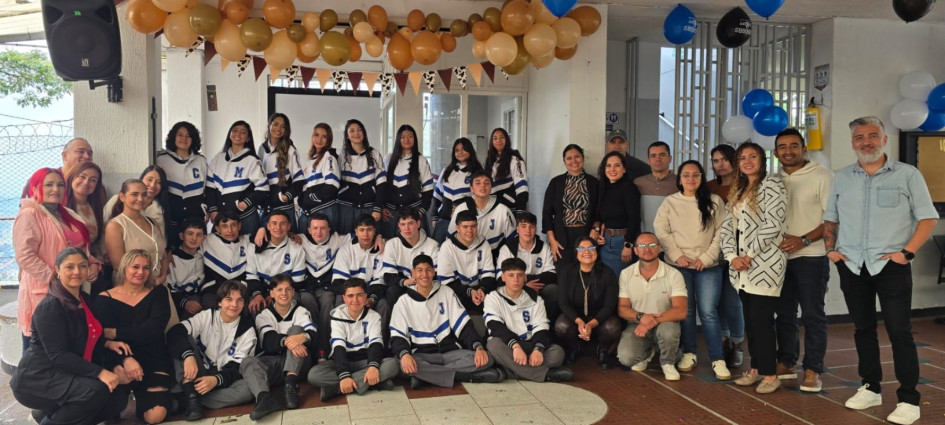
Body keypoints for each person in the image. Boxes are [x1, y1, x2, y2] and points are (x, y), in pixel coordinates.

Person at [825, 116, 937, 425]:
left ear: (884, 139)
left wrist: (906, 253)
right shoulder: (842, 177)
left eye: (873, 135)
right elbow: (831, 219)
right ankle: (870, 387)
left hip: (891, 265)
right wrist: (831, 251)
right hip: (851, 264)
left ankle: (909, 399)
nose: (866, 141)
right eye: (860, 137)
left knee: (900, 331)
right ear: (853, 143)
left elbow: (928, 218)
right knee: (863, 330)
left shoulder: (907, 175)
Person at [11, 248, 129, 425]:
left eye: (82, 266)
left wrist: (106, 343)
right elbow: (58, 355)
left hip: (67, 372)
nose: (77, 272)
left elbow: (85, 333)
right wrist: (101, 373)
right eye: (70, 267)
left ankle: (45, 416)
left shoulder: (85, 299)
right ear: (57, 270)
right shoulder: (50, 307)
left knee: (117, 399)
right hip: (38, 378)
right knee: (95, 391)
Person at [721, 141, 787, 394]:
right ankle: (757, 368)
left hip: (764, 264)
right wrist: (731, 255)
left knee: (762, 322)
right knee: (750, 321)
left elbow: (773, 224)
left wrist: (748, 255)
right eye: (742, 158)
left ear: (762, 159)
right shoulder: (738, 189)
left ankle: (771, 374)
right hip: (740, 268)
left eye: (753, 156)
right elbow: (728, 226)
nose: (747, 161)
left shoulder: (772, 185)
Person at [653, 160, 729, 380]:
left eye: (696, 175)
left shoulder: (714, 201)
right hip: (679, 266)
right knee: (685, 312)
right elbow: (662, 231)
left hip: (708, 266)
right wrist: (678, 255)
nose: (690, 179)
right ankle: (689, 353)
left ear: (702, 178)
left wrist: (706, 258)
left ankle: (717, 359)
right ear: (679, 179)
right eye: (686, 175)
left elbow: (721, 233)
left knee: (708, 311)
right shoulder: (670, 202)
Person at [772, 128, 834, 392]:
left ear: (804, 149)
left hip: (811, 257)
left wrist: (803, 240)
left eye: (793, 146)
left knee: (812, 315)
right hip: (779, 259)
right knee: (784, 315)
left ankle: (812, 370)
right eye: (783, 147)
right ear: (775, 153)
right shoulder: (772, 180)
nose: (788, 151)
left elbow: (831, 219)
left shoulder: (822, 175)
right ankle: (786, 363)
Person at [167, 280, 282, 421]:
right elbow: (174, 332)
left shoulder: (248, 331)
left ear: (244, 304)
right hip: (198, 369)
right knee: (184, 341)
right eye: (229, 299)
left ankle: (188, 398)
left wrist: (216, 380)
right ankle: (191, 396)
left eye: (239, 300)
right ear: (220, 302)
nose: (234, 305)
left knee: (247, 391)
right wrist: (189, 356)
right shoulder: (207, 316)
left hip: (222, 378)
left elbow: (236, 368)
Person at [389, 255, 502, 388]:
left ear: (434, 272)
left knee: (487, 358)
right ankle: (465, 376)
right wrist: (405, 355)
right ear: (413, 273)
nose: (424, 274)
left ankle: (428, 377)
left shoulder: (447, 292)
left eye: (428, 270)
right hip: (422, 355)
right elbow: (397, 337)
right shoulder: (403, 301)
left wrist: (478, 347)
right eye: (419, 270)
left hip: (450, 353)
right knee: (402, 364)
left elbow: (464, 326)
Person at [15, 168, 97, 349]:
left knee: (67, 344)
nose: (56, 189)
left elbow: (81, 248)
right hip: (44, 290)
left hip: (73, 290)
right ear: (35, 188)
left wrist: (91, 263)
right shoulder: (29, 214)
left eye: (60, 185)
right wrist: (56, 278)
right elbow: (25, 255)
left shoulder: (68, 214)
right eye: (49, 184)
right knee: (38, 349)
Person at [94, 249, 174, 424]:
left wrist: (116, 332)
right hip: (118, 358)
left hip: (153, 357)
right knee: (108, 408)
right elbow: (105, 341)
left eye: (146, 268)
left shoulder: (158, 293)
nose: (141, 272)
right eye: (135, 267)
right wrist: (126, 359)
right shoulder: (103, 299)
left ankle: (165, 400)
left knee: (156, 416)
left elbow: (154, 330)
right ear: (124, 268)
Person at [308, 278, 398, 401]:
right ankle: (374, 382)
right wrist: (344, 375)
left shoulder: (373, 316)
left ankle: (336, 389)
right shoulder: (337, 316)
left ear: (366, 296)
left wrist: (373, 366)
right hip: (344, 361)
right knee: (314, 375)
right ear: (344, 298)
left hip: (365, 361)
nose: (355, 300)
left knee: (392, 364)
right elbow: (338, 347)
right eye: (350, 296)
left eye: (359, 295)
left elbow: (376, 344)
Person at [484, 258, 573, 383]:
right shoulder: (493, 297)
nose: (516, 279)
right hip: (507, 345)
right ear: (503, 277)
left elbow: (542, 328)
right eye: (511, 275)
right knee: (493, 345)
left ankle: (509, 370)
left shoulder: (536, 299)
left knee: (557, 353)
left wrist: (538, 350)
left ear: (524, 277)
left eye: (520, 275)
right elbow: (495, 326)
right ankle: (545, 375)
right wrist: (515, 346)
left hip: (529, 344)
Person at [615, 233, 687, 381]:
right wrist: (642, 318)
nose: (647, 249)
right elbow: (622, 308)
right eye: (641, 245)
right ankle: (649, 353)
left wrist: (651, 321)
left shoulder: (674, 274)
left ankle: (668, 362)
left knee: (669, 332)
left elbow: (680, 311)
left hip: (665, 323)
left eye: (652, 245)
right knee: (626, 358)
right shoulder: (626, 274)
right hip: (637, 324)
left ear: (659, 248)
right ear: (635, 250)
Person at [555, 237, 621, 369]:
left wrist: (591, 324)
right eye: (581, 248)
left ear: (597, 250)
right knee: (561, 326)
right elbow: (563, 303)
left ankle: (602, 350)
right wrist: (579, 321)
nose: (587, 252)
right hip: (575, 316)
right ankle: (573, 348)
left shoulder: (607, 273)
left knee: (612, 327)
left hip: (600, 317)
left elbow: (609, 305)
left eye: (591, 248)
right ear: (576, 252)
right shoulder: (567, 272)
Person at [255, 274, 318, 410]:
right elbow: (268, 342)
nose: (284, 293)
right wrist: (290, 341)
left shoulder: (301, 311)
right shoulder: (264, 315)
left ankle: (290, 383)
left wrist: (304, 337)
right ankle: (264, 398)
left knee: (296, 330)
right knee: (248, 361)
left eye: (288, 289)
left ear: (293, 292)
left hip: (301, 363)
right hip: (277, 362)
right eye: (279, 290)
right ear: (271, 293)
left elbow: (314, 335)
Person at [708, 143, 745, 368]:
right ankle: (723, 340)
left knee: (732, 301)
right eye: (715, 161)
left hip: (739, 253)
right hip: (712, 250)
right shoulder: (708, 187)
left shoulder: (746, 186)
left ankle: (738, 342)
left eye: (724, 159)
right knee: (716, 300)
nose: (720, 164)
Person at [299, 212, 349, 359]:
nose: (319, 232)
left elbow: (361, 234)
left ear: (329, 229)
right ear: (308, 230)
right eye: (315, 228)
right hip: (307, 287)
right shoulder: (299, 239)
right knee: (308, 301)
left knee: (328, 300)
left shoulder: (338, 240)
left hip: (326, 288)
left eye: (322, 228)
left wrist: (379, 237)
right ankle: (311, 348)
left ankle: (323, 349)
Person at [207, 120, 269, 235]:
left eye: (243, 132)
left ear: (248, 138)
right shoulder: (218, 158)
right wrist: (213, 209)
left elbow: (263, 189)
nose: (238, 134)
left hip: (245, 218)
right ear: (230, 134)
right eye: (234, 130)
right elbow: (210, 187)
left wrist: (244, 203)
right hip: (222, 220)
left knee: (247, 251)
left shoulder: (252, 160)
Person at [543, 144, 600, 267]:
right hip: (562, 236)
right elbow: (546, 214)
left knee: (587, 269)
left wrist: (596, 229)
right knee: (564, 273)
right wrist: (552, 241)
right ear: (564, 161)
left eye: (577, 157)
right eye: (569, 158)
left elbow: (599, 210)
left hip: (586, 233)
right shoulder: (556, 183)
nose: (573, 161)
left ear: (583, 159)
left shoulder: (593, 182)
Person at [104, 179, 169, 286]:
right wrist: (149, 283)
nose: (140, 199)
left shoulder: (153, 223)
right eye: (134, 194)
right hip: (131, 288)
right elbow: (118, 267)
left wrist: (162, 277)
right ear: (122, 197)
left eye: (144, 195)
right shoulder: (116, 226)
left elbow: (163, 257)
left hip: (159, 286)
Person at [495, 212, 558, 320]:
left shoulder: (544, 247)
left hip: (538, 288)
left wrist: (528, 280)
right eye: (523, 226)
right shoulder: (507, 248)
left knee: (553, 290)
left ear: (536, 229)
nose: (527, 231)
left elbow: (552, 274)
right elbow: (501, 278)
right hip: (514, 290)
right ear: (517, 229)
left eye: (531, 227)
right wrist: (524, 284)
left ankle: (547, 325)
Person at [243, 210, 306, 315]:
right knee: (255, 307)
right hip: (261, 290)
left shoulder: (296, 248)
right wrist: (257, 295)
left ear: (289, 226)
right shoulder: (254, 246)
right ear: (267, 226)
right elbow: (251, 276)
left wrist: (276, 294)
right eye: (274, 223)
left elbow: (297, 280)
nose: (278, 227)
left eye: (283, 224)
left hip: (285, 291)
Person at [156, 121, 208, 247]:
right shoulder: (161, 160)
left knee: (196, 255)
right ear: (173, 137)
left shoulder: (200, 161)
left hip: (195, 220)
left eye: (188, 136)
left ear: (193, 139)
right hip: (172, 218)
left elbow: (207, 188)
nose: (184, 139)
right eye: (180, 135)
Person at [380, 206, 440, 312]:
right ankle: (395, 327)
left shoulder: (432, 245)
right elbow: (388, 276)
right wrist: (404, 281)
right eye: (403, 224)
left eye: (410, 223)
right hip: (402, 285)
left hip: (425, 285)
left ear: (418, 223)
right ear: (399, 225)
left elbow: (436, 274)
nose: (406, 228)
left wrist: (420, 281)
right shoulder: (392, 244)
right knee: (392, 291)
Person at [437, 210, 498, 314]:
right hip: (457, 293)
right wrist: (470, 292)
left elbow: (489, 275)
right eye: (465, 227)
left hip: (479, 290)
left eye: (473, 226)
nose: (470, 230)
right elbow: (446, 282)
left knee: (496, 301)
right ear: (457, 228)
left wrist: (482, 289)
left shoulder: (484, 244)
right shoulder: (447, 247)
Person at [379, 124, 435, 238]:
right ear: (398, 139)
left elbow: (428, 191)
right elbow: (381, 186)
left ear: (415, 139)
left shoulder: (421, 160)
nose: (407, 140)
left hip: (413, 214)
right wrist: (382, 208)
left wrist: (420, 213)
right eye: (403, 136)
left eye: (410, 136)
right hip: (391, 215)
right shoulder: (388, 159)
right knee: (391, 249)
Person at [595, 151, 641, 275]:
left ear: (624, 169)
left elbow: (634, 218)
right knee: (607, 281)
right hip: (606, 242)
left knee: (618, 282)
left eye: (617, 165)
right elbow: (600, 216)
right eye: (608, 165)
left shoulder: (629, 188)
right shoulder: (603, 187)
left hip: (622, 242)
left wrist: (628, 245)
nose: (612, 169)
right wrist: (599, 231)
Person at [448, 171, 517, 256]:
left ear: (491, 187)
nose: (482, 185)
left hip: (494, 258)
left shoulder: (503, 210)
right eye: (478, 183)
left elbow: (513, 241)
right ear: (471, 189)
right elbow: (450, 240)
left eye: (486, 183)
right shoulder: (461, 208)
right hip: (465, 257)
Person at [337, 119, 386, 235]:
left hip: (369, 210)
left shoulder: (374, 154)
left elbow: (382, 183)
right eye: (352, 131)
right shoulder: (341, 155)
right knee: (346, 244)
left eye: (359, 130)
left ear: (364, 133)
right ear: (347, 136)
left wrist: (377, 208)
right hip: (346, 210)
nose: (356, 133)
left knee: (371, 245)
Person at [432, 137, 483, 243]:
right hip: (444, 219)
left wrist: (463, 207)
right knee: (436, 249)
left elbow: (480, 198)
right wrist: (434, 216)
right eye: (457, 150)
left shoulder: (477, 171)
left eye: (463, 149)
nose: (460, 152)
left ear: (470, 150)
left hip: (464, 223)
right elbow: (437, 195)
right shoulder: (447, 170)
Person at [259, 113, 303, 231]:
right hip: (266, 207)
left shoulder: (290, 149)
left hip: (284, 208)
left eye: (283, 127)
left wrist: (286, 196)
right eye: (275, 124)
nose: (278, 129)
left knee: (289, 245)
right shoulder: (261, 149)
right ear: (269, 125)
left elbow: (299, 180)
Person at [201, 211, 253, 308]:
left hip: (239, 290)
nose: (230, 230)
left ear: (240, 226)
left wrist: (262, 229)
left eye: (233, 225)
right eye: (224, 226)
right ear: (217, 228)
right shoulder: (207, 241)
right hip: (213, 290)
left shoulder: (247, 240)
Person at [104, 165, 169, 241]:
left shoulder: (160, 210)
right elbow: (102, 228)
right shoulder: (117, 199)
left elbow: (161, 241)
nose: (152, 185)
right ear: (142, 179)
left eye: (159, 182)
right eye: (150, 180)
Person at [299, 123, 340, 232]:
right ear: (312, 137)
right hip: (308, 212)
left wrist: (309, 199)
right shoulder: (310, 160)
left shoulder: (329, 157)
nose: (319, 139)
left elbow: (332, 186)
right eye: (316, 135)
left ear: (329, 139)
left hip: (324, 211)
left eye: (324, 136)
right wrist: (302, 200)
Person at [64, 162, 107, 267]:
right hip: (67, 265)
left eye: (93, 180)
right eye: (82, 177)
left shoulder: (96, 206)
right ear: (72, 177)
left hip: (91, 264)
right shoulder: (61, 207)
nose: (86, 182)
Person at [21, 138, 94, 199]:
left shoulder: (93, 184)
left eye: (90, 153)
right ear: (65, 156)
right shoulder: (41, 179)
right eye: (80, 152)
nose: (87, 156)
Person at [634, 141, 679, 233]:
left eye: (662, 155)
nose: (658, 159)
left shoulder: (680, 183)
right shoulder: (638, 183)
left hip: (672, 240)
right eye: (653, 156)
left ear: (670, 158)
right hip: (645, 240)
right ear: (648, 160)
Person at [168, 219, 207, 319]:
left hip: (201, 296)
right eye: (190, 233)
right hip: (178, 300)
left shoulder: (203, 256)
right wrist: (184, 302)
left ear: (204, 238)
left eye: (199, 235)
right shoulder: (172, 259)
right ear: (182, 236)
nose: (194, 238)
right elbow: (168, 289)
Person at [485, 127, 528, 213]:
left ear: (507, 140)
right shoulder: (490, 161)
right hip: (493, 210)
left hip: (510, 209)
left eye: (502, 137)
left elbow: (522, 189)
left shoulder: (515, 160)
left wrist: (520, 212)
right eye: (495, 138)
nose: (498, 140)